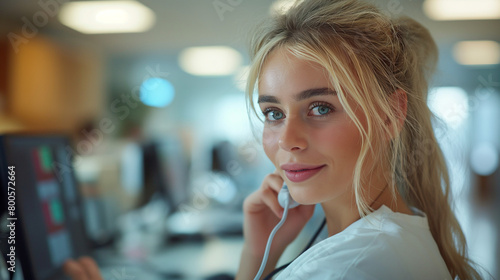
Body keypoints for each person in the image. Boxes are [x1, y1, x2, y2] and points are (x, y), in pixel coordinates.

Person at [64, 0, 482, 279]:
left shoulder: (353, 266)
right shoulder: (382, 234)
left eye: (320, 107)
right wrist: (258, 255)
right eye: (273, 113)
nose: (288, 140)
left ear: (391, 114)